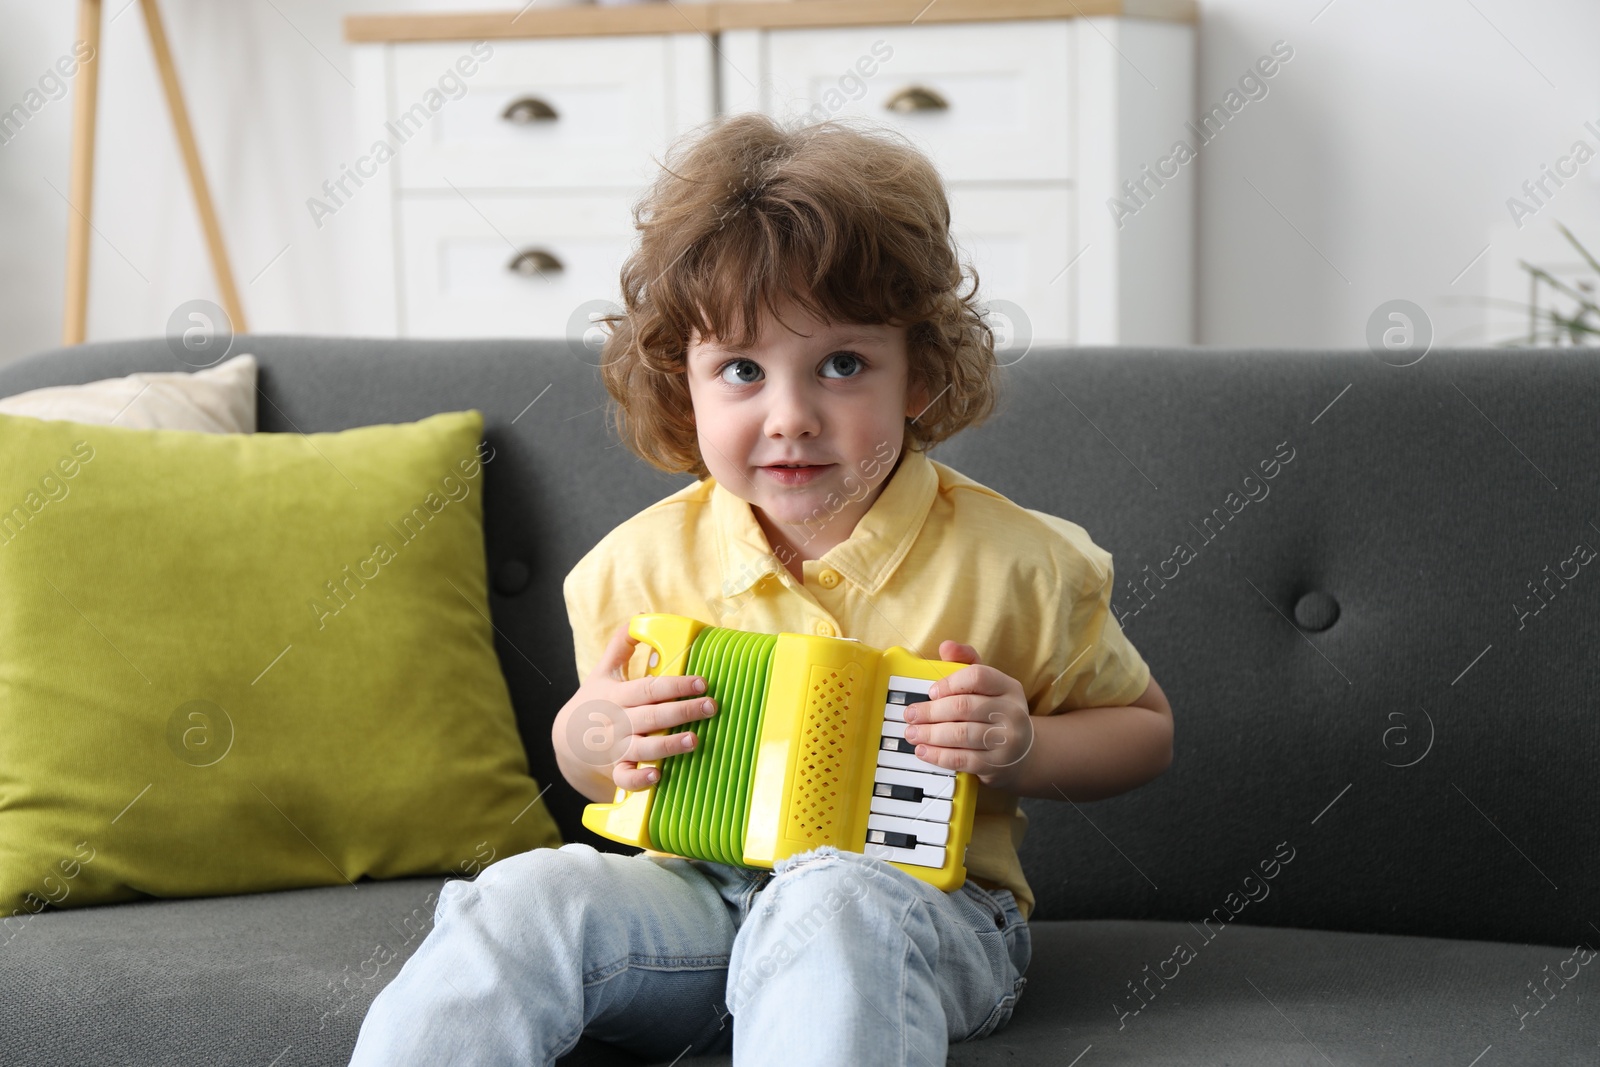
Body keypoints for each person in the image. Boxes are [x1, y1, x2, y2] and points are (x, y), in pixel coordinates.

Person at [348, 112, 1173, 1067]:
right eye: (741, 369)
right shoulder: (633, 567)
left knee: (832, 899)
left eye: (842, 364)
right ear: (682, 382)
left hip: (925, 916)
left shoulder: (1022, 563)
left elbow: (1146, 732)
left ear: (918, 372)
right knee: (527, 897)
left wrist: (1021, 749)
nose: (791, 417)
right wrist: (593, 737)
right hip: (695, 908)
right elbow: (596, 766)